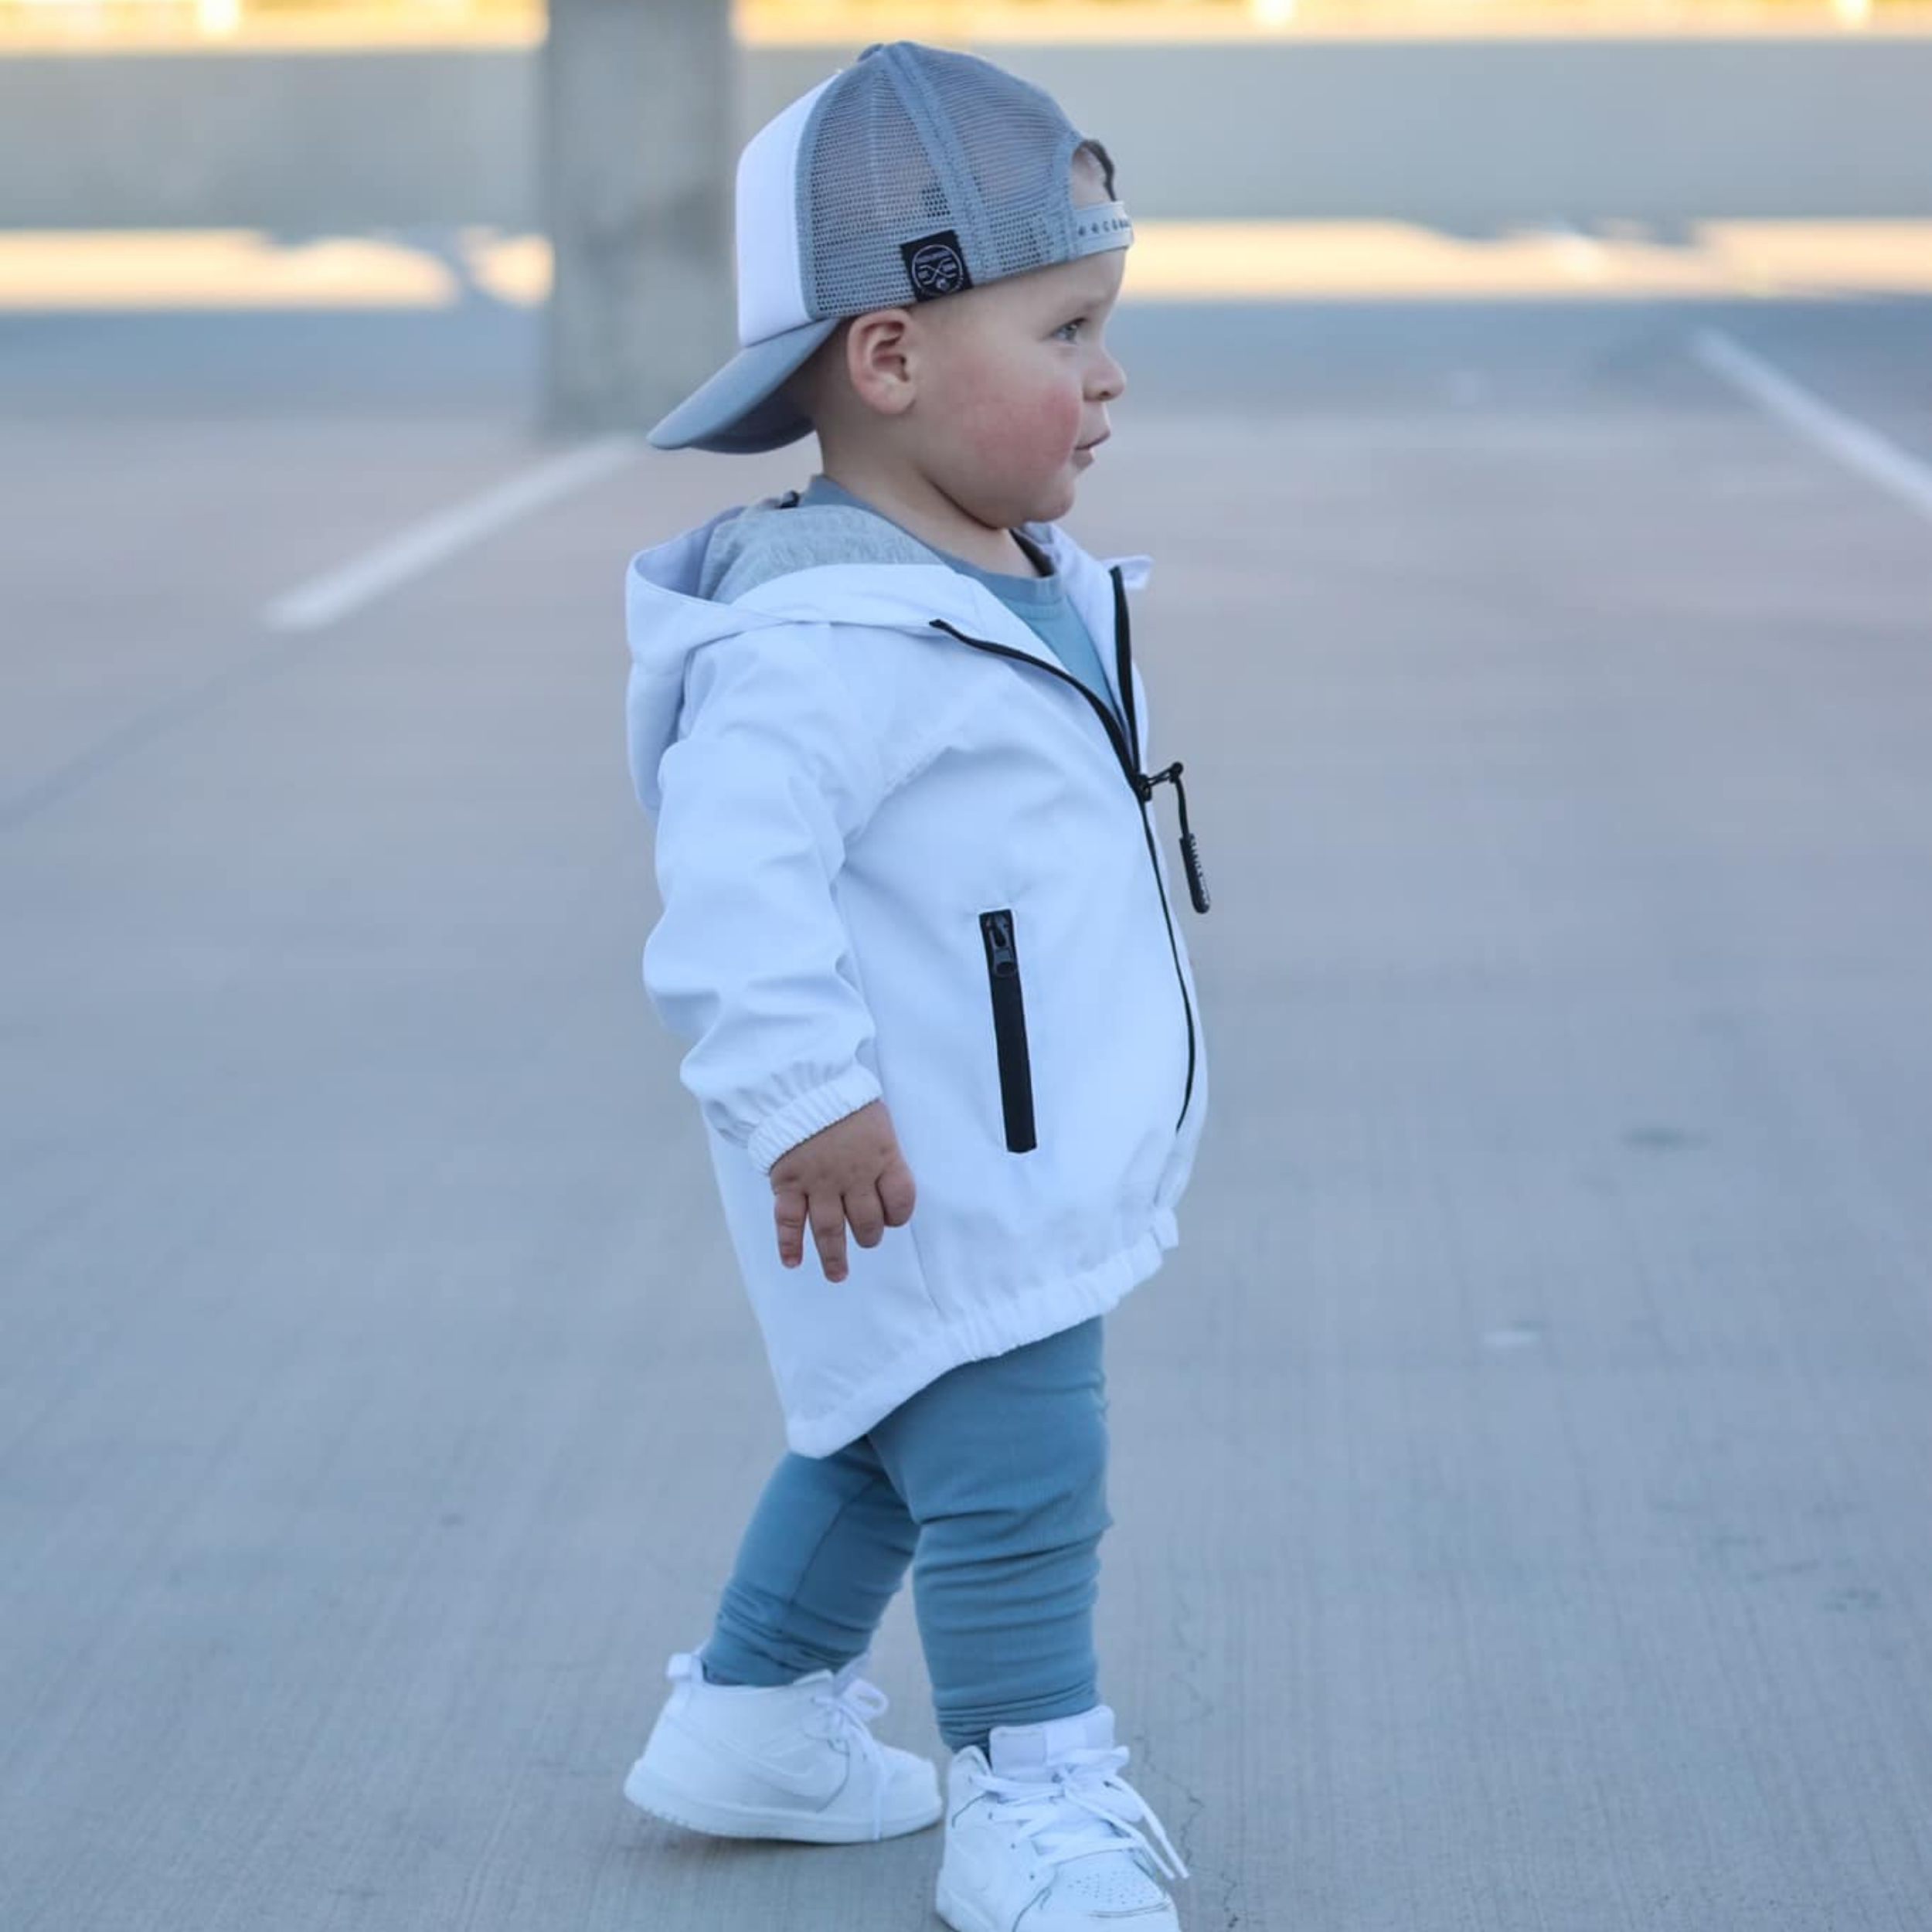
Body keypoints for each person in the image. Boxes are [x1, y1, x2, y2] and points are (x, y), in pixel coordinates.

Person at [618, 40, 1210, 1932]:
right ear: (887, 358)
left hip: (980, 1137)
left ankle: (753, 1717)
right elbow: (731, 896)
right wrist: (800, 1093)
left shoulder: (1010, 565)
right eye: (1066, 329)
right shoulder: (813, 638)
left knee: (891, 1428)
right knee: (1022, 1473)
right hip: (918, 1153)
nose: (1108, 374)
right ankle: (1026, 1795)